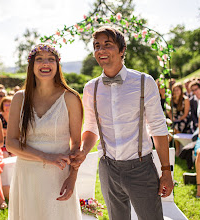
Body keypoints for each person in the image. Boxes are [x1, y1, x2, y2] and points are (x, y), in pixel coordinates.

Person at [70, 27, 173, 220]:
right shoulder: (91, 88)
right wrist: (83, 152)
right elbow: (91, 127)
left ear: (122, 49)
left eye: (107, 45)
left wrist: (166, 171)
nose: (101, 50)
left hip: (141, 168)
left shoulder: (144, 81)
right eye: (97, 46)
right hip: (108, 168)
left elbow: (158, 128)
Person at [6, 44, 83, 220]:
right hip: (27, 175)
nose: (45, 63)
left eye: (50, 59)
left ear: (58, 65)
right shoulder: (20, 98)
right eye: (39, 59)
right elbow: (11, 143)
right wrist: (45, 157)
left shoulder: (70, 97)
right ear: (31, 66)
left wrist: (72, 178)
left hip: (58, 176)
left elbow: (76, 145)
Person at [167, 82, 191, 156]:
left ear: (181, 90)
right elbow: (168, 111)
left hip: (184, 118)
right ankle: (175, 148)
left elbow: (186, 113)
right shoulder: (171, 99)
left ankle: (169, 146)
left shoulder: (185, 99)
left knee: (174, 128)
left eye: (177, 90)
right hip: (174, 119)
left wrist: (178, 120)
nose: (176, 92)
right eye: (174, 90)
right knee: (174, 128)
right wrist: (172, 118)